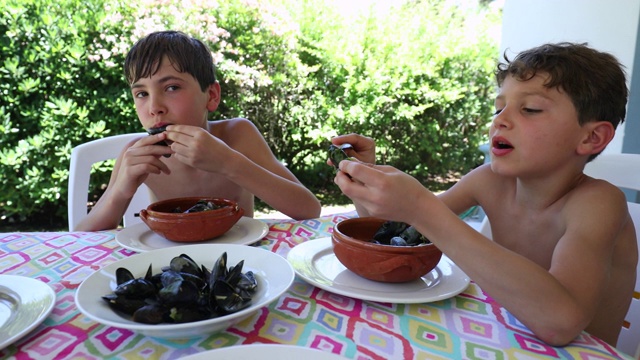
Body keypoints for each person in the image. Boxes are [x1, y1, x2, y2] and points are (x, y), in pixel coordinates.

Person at [330, 43, 637, 347]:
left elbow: (560, 323)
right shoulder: (489, 181)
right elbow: (396, 235)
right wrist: (363, 177)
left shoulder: (599, 204)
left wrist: (422, 209)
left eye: (529, 109)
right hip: (505, 339)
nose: (499, 120)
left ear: (591, 137)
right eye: (498, 107)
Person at [76, 30, 321, 231]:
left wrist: (229, 163)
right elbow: (83, 235)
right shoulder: (136, 155)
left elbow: (309, 209)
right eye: (141, 93)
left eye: (171, 87)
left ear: (211, 96)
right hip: (171, 262)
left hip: (243, 258)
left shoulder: (238, 136)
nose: (154, 107)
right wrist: (121, 189)